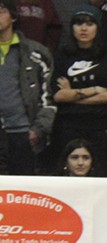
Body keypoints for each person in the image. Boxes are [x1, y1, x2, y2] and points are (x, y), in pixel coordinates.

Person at [51, 4, 107, 178]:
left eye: (90, 24)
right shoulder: (62, 55)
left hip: (100, 125)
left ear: (98, 27)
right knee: (66, 174)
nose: (84, 28)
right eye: (79, 23)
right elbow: (59, 95)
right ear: (72, 27)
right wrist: (95, 89)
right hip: (68, 124)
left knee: (103, 173)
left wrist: (74, 95)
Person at [0, 0, 56, 176]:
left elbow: (48, 97)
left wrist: (38, 129)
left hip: (22, 132)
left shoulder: (36, 53)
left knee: (23, 194)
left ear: (13, 17)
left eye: (0, 11)